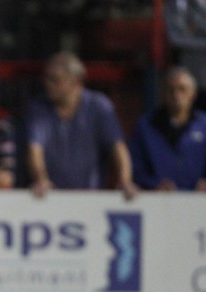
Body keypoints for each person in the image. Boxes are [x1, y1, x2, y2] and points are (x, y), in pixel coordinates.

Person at [26, 51, 138, 199]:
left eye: (55, 80)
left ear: (76, 82)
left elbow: (117, 147)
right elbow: (34, 150)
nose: (48, 84)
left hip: (89, 200)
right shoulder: (38, 109)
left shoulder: (98, 106)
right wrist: (41, 179)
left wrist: (125, 181)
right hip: (51, 200)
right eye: (47, 79)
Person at [129, 66, 206, 191]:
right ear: (163, 94)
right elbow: (136, 166)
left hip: (198, 203)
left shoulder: (203, 125)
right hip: (159, 203)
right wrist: (153, 184)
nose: (176, 95)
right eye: (171, 90)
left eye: (182, 89)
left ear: (193, 93)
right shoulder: (147, 126)